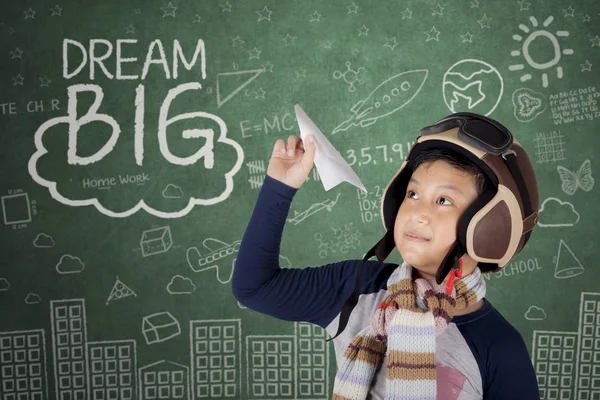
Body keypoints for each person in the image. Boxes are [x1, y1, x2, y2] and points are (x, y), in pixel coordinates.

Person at [232, 112, 541, 399]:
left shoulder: (500, 347)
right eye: (413, 194)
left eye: (443, 200)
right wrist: (278, 187)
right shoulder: (356, 288)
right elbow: (254, 288)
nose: (417, 213)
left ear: (492, 226)